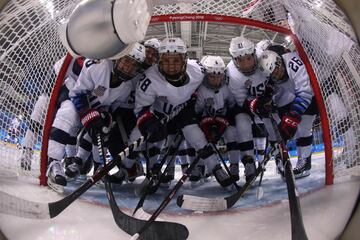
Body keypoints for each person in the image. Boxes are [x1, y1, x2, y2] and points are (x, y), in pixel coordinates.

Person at [134, 37, 233, 188]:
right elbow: (140, 108)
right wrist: (147, 122)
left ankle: (216, 168)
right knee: (152, 140)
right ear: (159, 61)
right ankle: (150, 172)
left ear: (185, 61)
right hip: (160, 114)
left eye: (176, 61)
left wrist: (196, 98)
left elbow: (210, 87)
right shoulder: (149, 78)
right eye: (166, 61)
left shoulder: (197, 71)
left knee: (197, 137)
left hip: (183, 111)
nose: (171, 66)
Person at [46, 43, 145, 191]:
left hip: (97, 110)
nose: (127, 67)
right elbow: (77, 94)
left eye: (133, 65)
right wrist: (88, 113)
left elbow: (113, 107)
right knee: (67, 112)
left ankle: (98, 167)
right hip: (76, 101)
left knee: (103, 129)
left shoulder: (127, 86)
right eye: (126, 60)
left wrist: (105, 117)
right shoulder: (97, 65)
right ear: (118, 58)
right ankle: (53, 163)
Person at [258, 49, 318, 178]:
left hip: (316, 91)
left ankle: (305, 163)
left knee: (304, 127)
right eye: (273, 74)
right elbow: (272, 87)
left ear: (279, 61)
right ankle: (299, 161)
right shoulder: (273, 74)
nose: (278, 74)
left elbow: (305, 93)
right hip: (301, 94)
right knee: (298, 130)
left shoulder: (292, 62)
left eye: (277, 69)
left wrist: (292, 118)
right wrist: (267, 97)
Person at [226, 36, 271, 183]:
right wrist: (254, 103)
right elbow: (241, 101)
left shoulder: (264, 56)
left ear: (253, 54)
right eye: (240, 60)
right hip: (251, 104)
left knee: (274, 122)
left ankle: (280, 159)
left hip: (270, 100)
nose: (245, 64)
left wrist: (270, 95)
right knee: (241, 121)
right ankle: (249, 162)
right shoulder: (231, 73)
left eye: (248, 58)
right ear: (234, 59)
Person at [195, 55, 240, 182]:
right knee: (201, 139)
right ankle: (201, 166)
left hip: (223, 121)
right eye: (212, 76)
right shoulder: (201, 89)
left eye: (219, 76)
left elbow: (232, 107)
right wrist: (205, 124)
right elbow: (197, 111)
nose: (216, 80)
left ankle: (234, 166)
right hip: (206, 122)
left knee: (232, 133)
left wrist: (224, 121)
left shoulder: (227, 87)